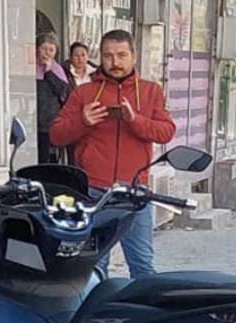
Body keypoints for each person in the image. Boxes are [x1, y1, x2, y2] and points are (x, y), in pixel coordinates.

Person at [50, 29, 176, 279]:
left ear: (134, 56)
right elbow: (56, 135)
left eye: (121, 55)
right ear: (101, 57)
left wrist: (135, 120)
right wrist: (82, 121)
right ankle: (94, 317)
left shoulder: (151, 91)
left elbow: (166, 132)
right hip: (93, 193)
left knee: (143, 267)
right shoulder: (83, 93)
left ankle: (144, 317)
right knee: (93, 268)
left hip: (134, 194)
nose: (115, 62)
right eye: (108, 56)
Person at [35, 33, 70, 165]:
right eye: (44, 48)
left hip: (48, 122)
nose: (47, 53)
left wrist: (48, 71)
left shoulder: (57, 69)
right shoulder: (29, 67)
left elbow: (62, 92)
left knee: (46, 158)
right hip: (32, 121)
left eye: (51, 50)